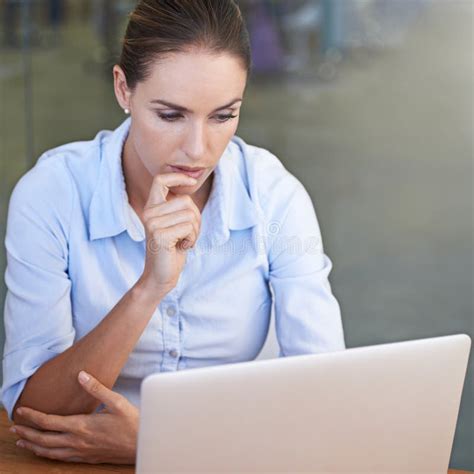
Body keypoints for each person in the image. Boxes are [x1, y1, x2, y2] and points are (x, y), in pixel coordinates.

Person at [1, 0, 345, 465]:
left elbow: (328, 402)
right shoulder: (52, 195)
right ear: (123, 89)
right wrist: (150, 288)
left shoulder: (276, 198)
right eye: (170, 115)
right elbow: (33, 412)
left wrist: (160, 445)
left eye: (223, 116)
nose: (198, 150)